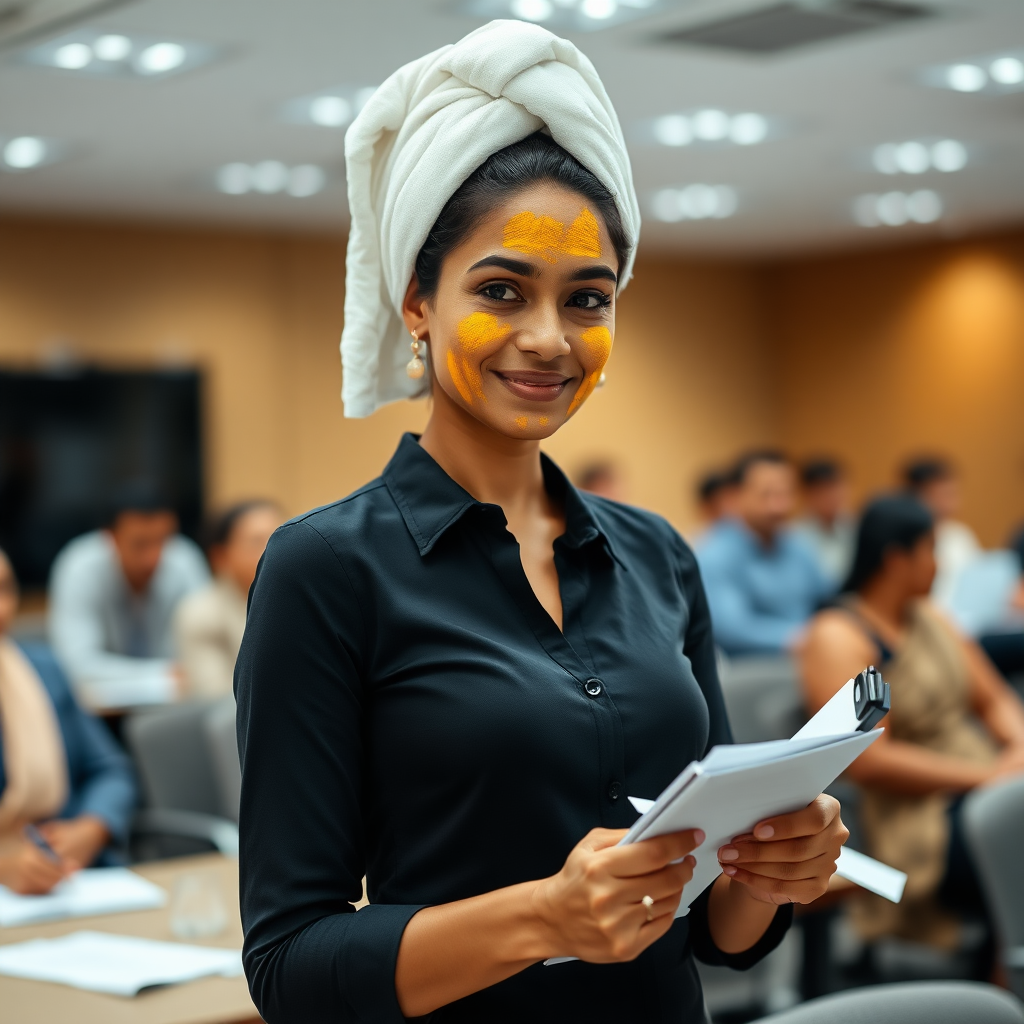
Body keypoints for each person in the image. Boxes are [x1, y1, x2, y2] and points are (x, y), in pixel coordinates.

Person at [235, 21, 848, 1024]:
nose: (548, 339)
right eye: (501, 290)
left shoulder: (656, 555)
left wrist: (774, 867)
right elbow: (292, 964)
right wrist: (547, 919)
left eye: (588, 298)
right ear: (418, 303)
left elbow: (715, 936)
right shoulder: (325, 568)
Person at [800, 495, 1024, 950]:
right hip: (918, 816)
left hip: (986, 784)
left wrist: (1018, 750)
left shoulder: (930, 619)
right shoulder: (838, 635)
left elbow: (994, 699)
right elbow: (872, 762)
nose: (940, 566)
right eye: (932, 550)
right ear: (897, 558)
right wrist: (989, 778)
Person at [0, 547, 136, 894]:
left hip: (73, 879)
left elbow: (110, 769)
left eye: (5, 590)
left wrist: (91, 828)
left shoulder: (42, 669)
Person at [48, 483, 209, 710]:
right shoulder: (79, 566)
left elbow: (201, 648)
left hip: (176, 707)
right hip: (101, 713)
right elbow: (75, 664)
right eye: (140, 544)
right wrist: (162, 673)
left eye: (163, 541)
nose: (153, 558)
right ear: (109, 537)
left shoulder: (184, 559)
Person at [697, 450, 832, 656]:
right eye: (766, 494)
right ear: (734, 496)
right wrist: (809, 639)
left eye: (785, 494)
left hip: (809, 653)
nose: (778, 506)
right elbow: (732, 630)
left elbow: (827, 596)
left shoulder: (797, 544)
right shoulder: (714, 554)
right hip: (750, 664)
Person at [174, 501, 281, 699]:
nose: (273, 551)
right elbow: (214, 694)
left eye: (278, 539)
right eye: (257, 542)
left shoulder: (302, 600)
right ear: (220, 555)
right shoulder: (200, 611)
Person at [903, 456, 981, 608]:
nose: (952, 501)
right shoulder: (907, 540)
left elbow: (978, 582)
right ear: (918, 495)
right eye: (944, 494)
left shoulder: (960, 535)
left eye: (953, 493)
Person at [793, 458, 855, 587]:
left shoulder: (856, 528)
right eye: (822, 490)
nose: (831, 496)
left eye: (835, 487)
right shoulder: (794, 536)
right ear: (807, 494)